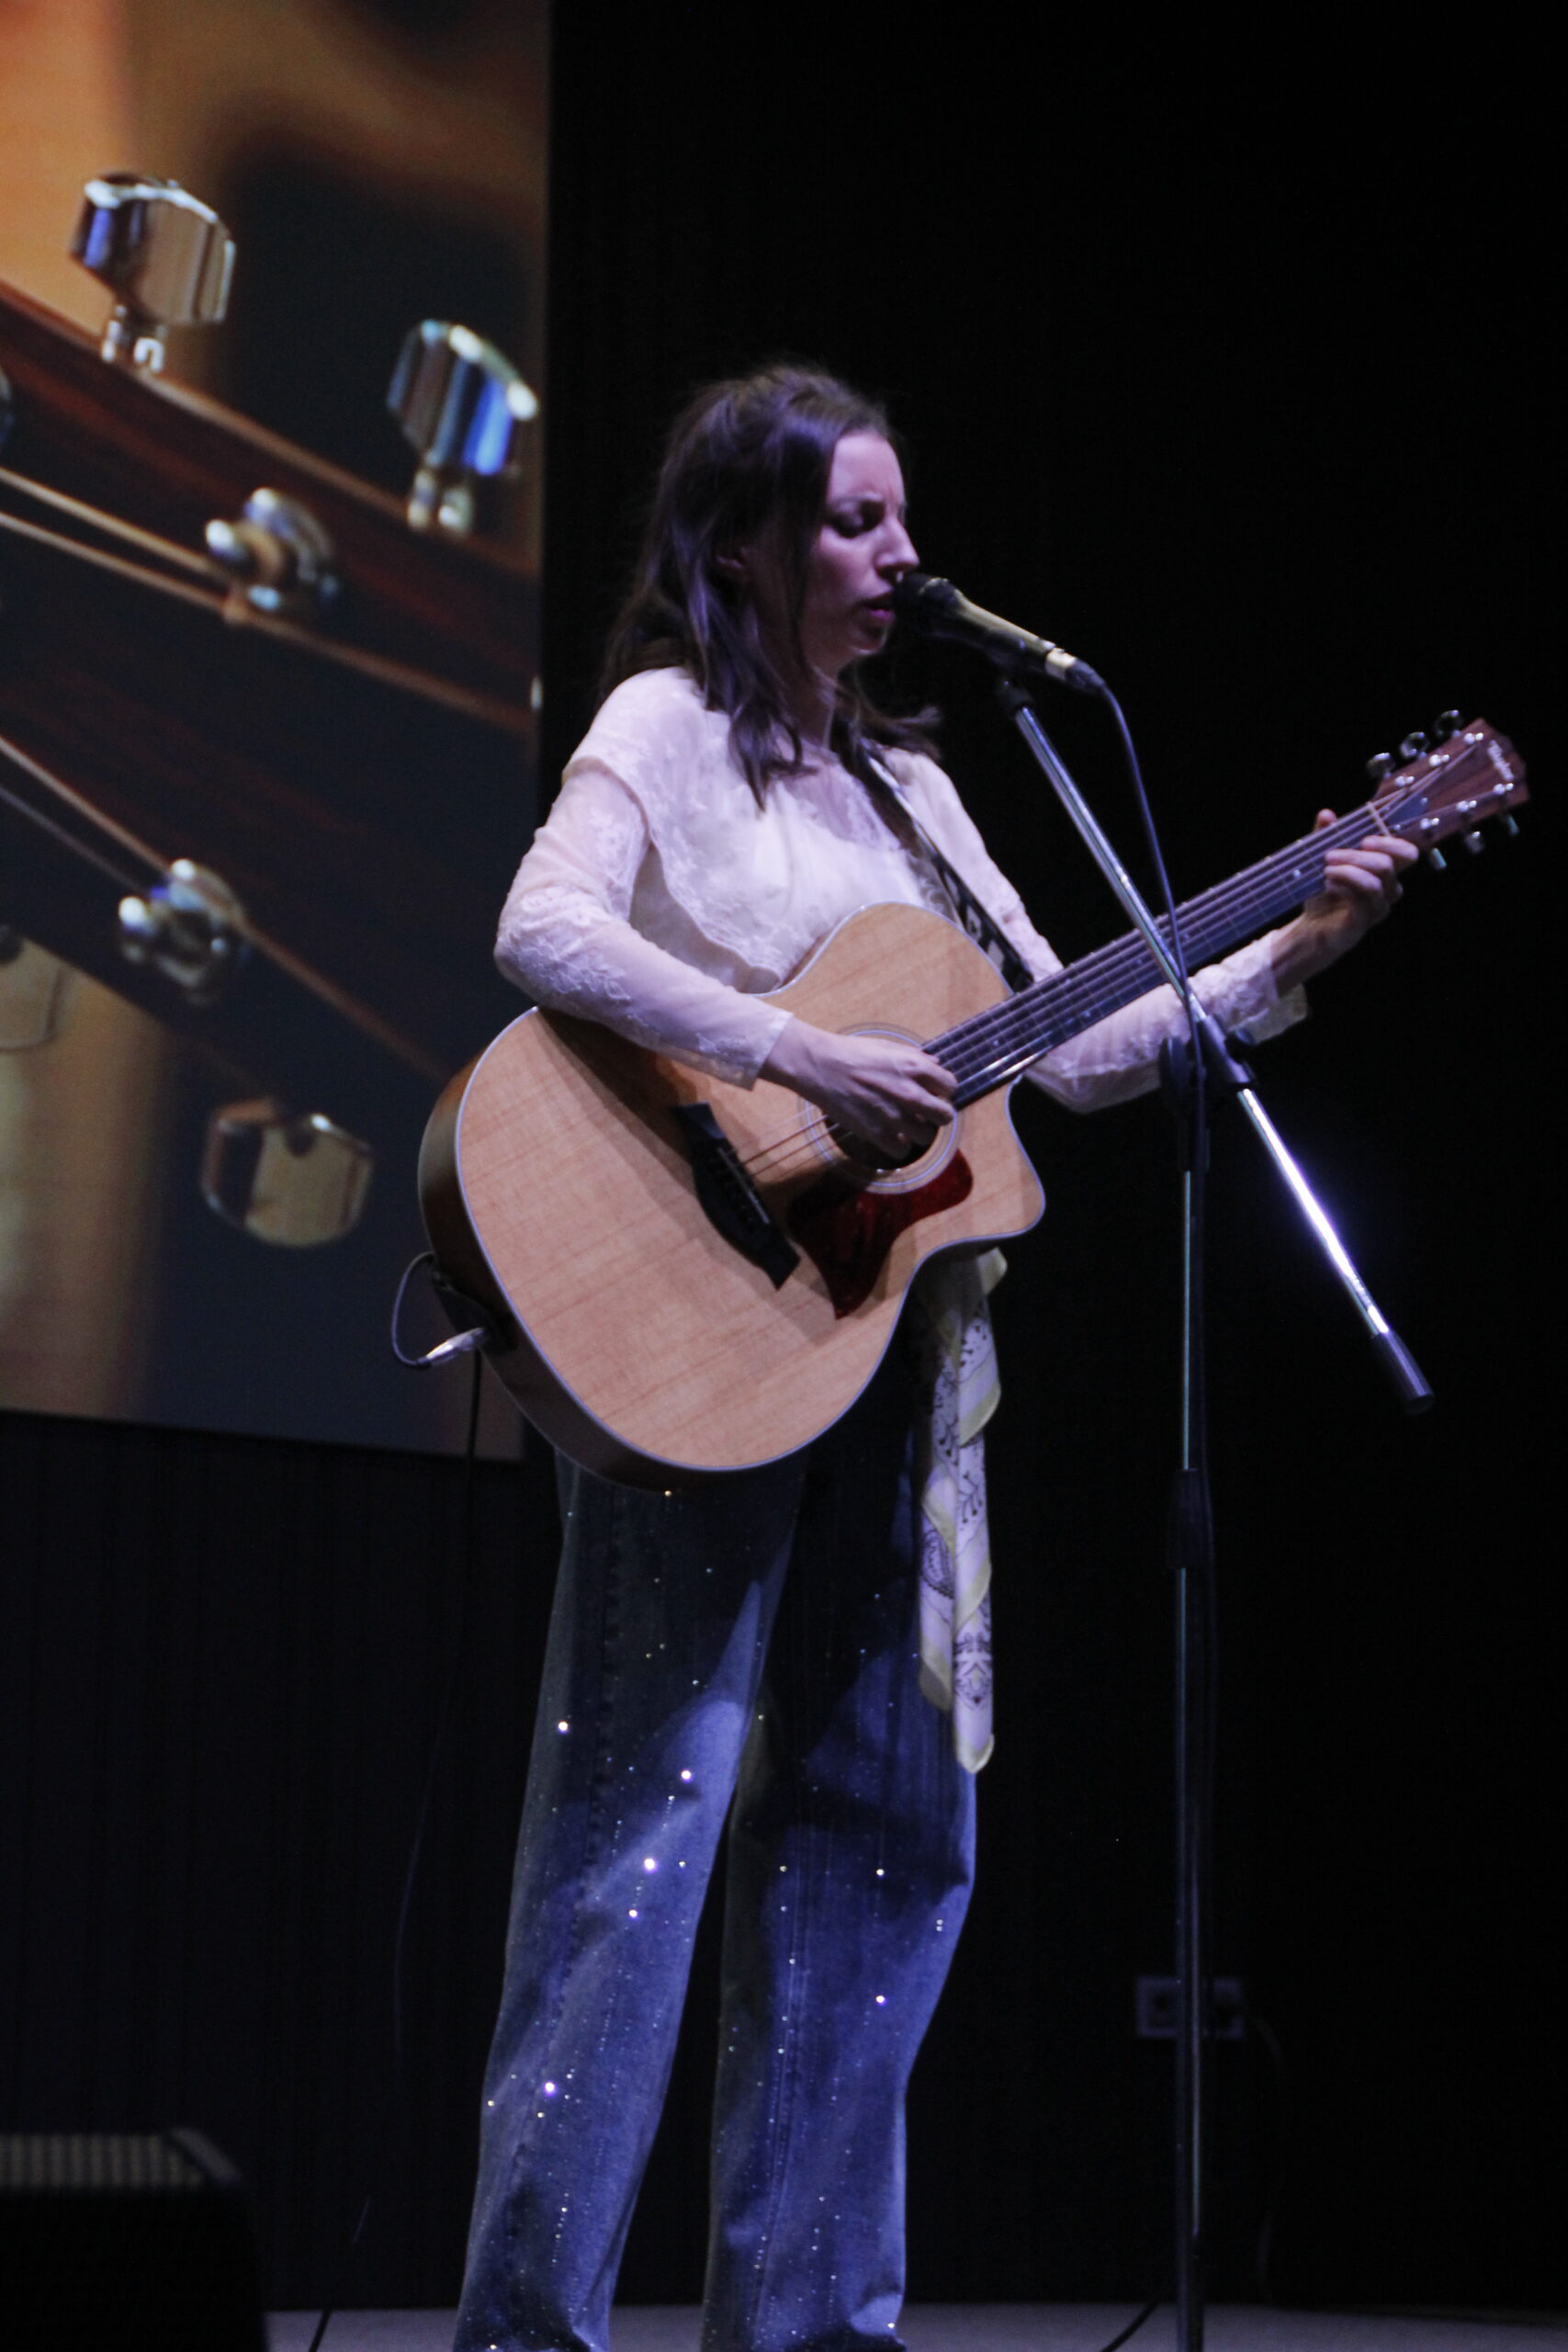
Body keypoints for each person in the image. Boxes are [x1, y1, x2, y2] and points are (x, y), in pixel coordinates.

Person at [453, 365, 1412, 2352]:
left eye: (901, 518)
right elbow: (542, 929)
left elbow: (1073, 1047)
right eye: (856, 521)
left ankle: (808, 2328)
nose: (903, 555)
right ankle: (528, 2330)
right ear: (744, 546)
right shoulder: (667, 725)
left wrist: (1300, 939)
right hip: (686, 1340)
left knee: (879, 1842)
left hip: (883, 1357)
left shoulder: (914, 790)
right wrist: (794, 1051)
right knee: (638, 1836)